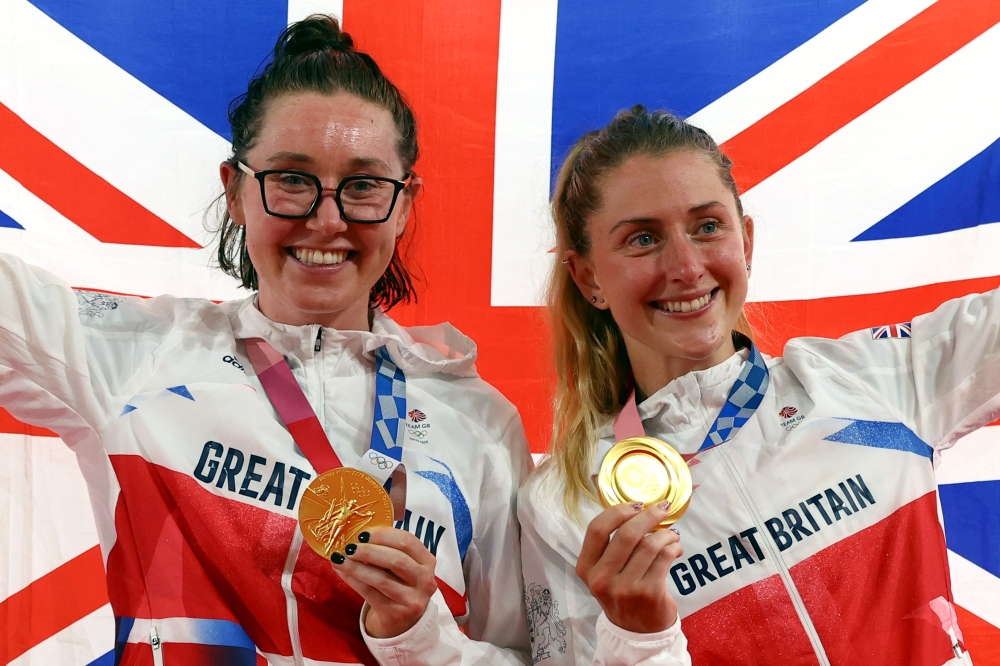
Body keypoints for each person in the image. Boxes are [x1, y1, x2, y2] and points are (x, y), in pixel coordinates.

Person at [0, 15, 532, 666]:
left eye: (364, 185)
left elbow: (525, 654)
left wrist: (420, 635)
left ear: (403, 204)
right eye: (292, 179)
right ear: (235, 191)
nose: (326, 220)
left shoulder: (480, 424)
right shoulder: (137, 357)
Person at [518, 105, 991, 665]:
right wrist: (642, 642)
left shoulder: (876, 379)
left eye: (707, 227)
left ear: (745, 241)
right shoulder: (565, 503)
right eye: (643, 239)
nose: (686, 267)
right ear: (589, 276)